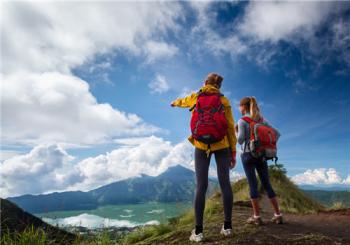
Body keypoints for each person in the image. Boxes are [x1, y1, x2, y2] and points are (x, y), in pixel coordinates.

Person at [171, 73, 237, 242]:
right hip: (222, 145)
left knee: (201, 186)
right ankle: (227, 227)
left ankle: (198, 232)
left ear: (205, 83)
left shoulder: (196, 97)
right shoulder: (224, 101)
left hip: (200, 146)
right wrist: (233, 151)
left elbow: (183, 101)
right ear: (219, 86)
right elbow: (230, 128)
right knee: (225, 184)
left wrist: (175, 103)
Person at [236, 96, 283, 225]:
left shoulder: (242, 121)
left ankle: (256, 217)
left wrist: (236, 131)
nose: (239, 108)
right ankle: (278, 215)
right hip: (261, 155)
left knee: (253, 184)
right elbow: (277, 133)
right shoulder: (261, 120)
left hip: (247, 155)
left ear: (243, 107)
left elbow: (239, 140)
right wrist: (267, 145)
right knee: (266, 183)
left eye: (239, 106)